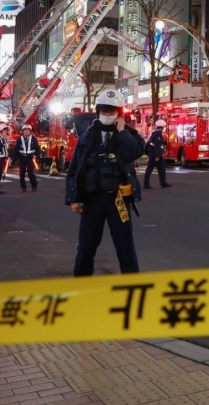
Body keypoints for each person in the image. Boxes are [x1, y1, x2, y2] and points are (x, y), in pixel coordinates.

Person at [65, 89, 145, 276]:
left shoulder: (128, 134)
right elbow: (75, 169)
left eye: (111, 111)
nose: (107, 115)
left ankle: (132, 287)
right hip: (92, 200)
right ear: (98, 111)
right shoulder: (87, 136)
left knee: (125, 247)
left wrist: (122, 131)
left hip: (119, 200)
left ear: (119, 112)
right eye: (104, 111)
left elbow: (136, 152)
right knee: (85, 247)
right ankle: (82, 288)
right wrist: (73, 198)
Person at [144, 119, 170, 189]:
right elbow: (157, 145)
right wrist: (157, 156)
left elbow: (149, 144)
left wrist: (147, 153)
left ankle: (146, 184)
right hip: (156, 155)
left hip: (151, 154)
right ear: (161, 127)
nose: (164, 128)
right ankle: (163, 183)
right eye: (163, 127)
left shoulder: (153, 133)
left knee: (149, 169)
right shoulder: (158, 134)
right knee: (162, 169)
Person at [14, 124, 40, 192]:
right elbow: (16, 149)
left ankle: (34, 186)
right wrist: (16, 158)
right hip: (22, 158)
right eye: (25, 130)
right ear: (22, 131)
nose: (26, 131)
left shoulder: (34, 139)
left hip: (30, 158)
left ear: (30, 131)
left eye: (28, 130)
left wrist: (36, 155)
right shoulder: (19, 139)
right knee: (21, 173)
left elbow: (37, 148)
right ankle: (23, 187)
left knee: (31, 173)